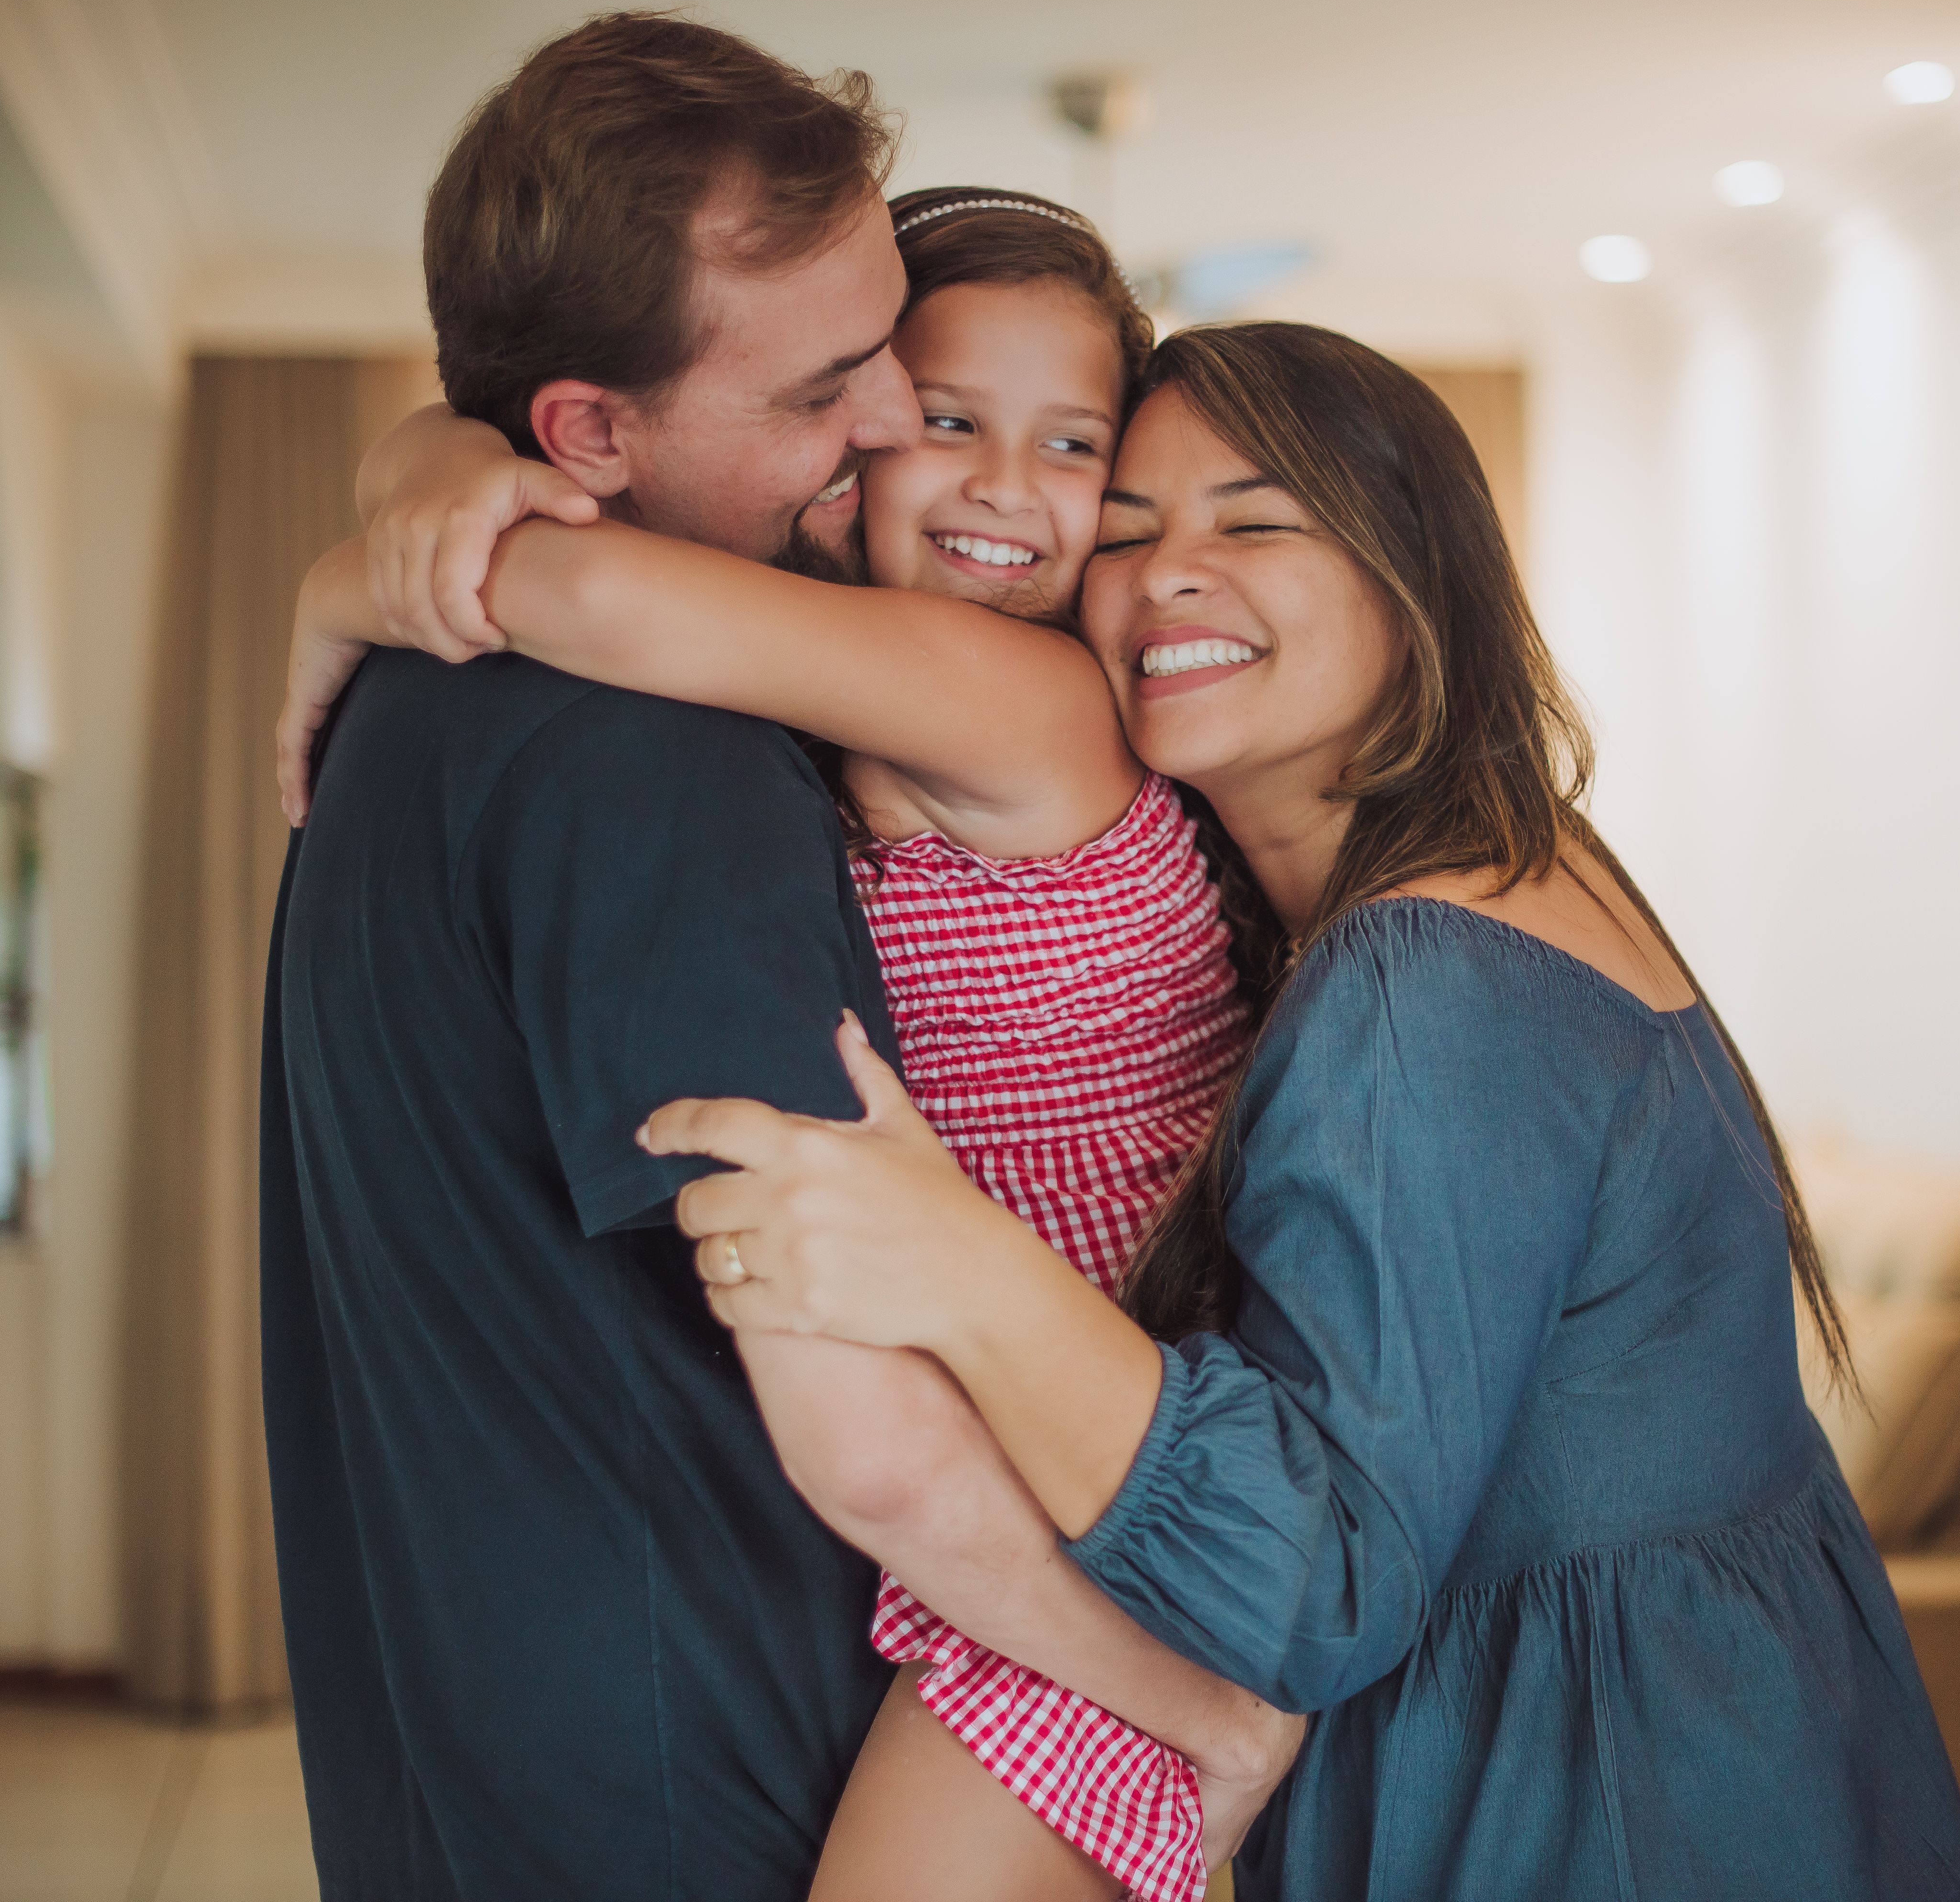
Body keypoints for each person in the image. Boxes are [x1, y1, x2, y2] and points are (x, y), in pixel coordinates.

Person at [638, 322, 1960, 1901]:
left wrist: (956, 1260)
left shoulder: (1427, 981)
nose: (1168, 577)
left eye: (1255, 521)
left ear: (1413, 579)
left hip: (1601, 1802)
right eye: (1130, 530)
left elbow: (1316, 1581)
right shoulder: (1492, 874)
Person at [280, 188, 1301, 1902]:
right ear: (867, 425)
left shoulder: (1023, 699)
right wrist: (424, 459)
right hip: (1011, 1464)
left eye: (1075, 449)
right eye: (944, 416)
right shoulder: (836, 707)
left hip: (1092, 1467)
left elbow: (598, 601)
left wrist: (354, 564)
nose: (1000, 484)